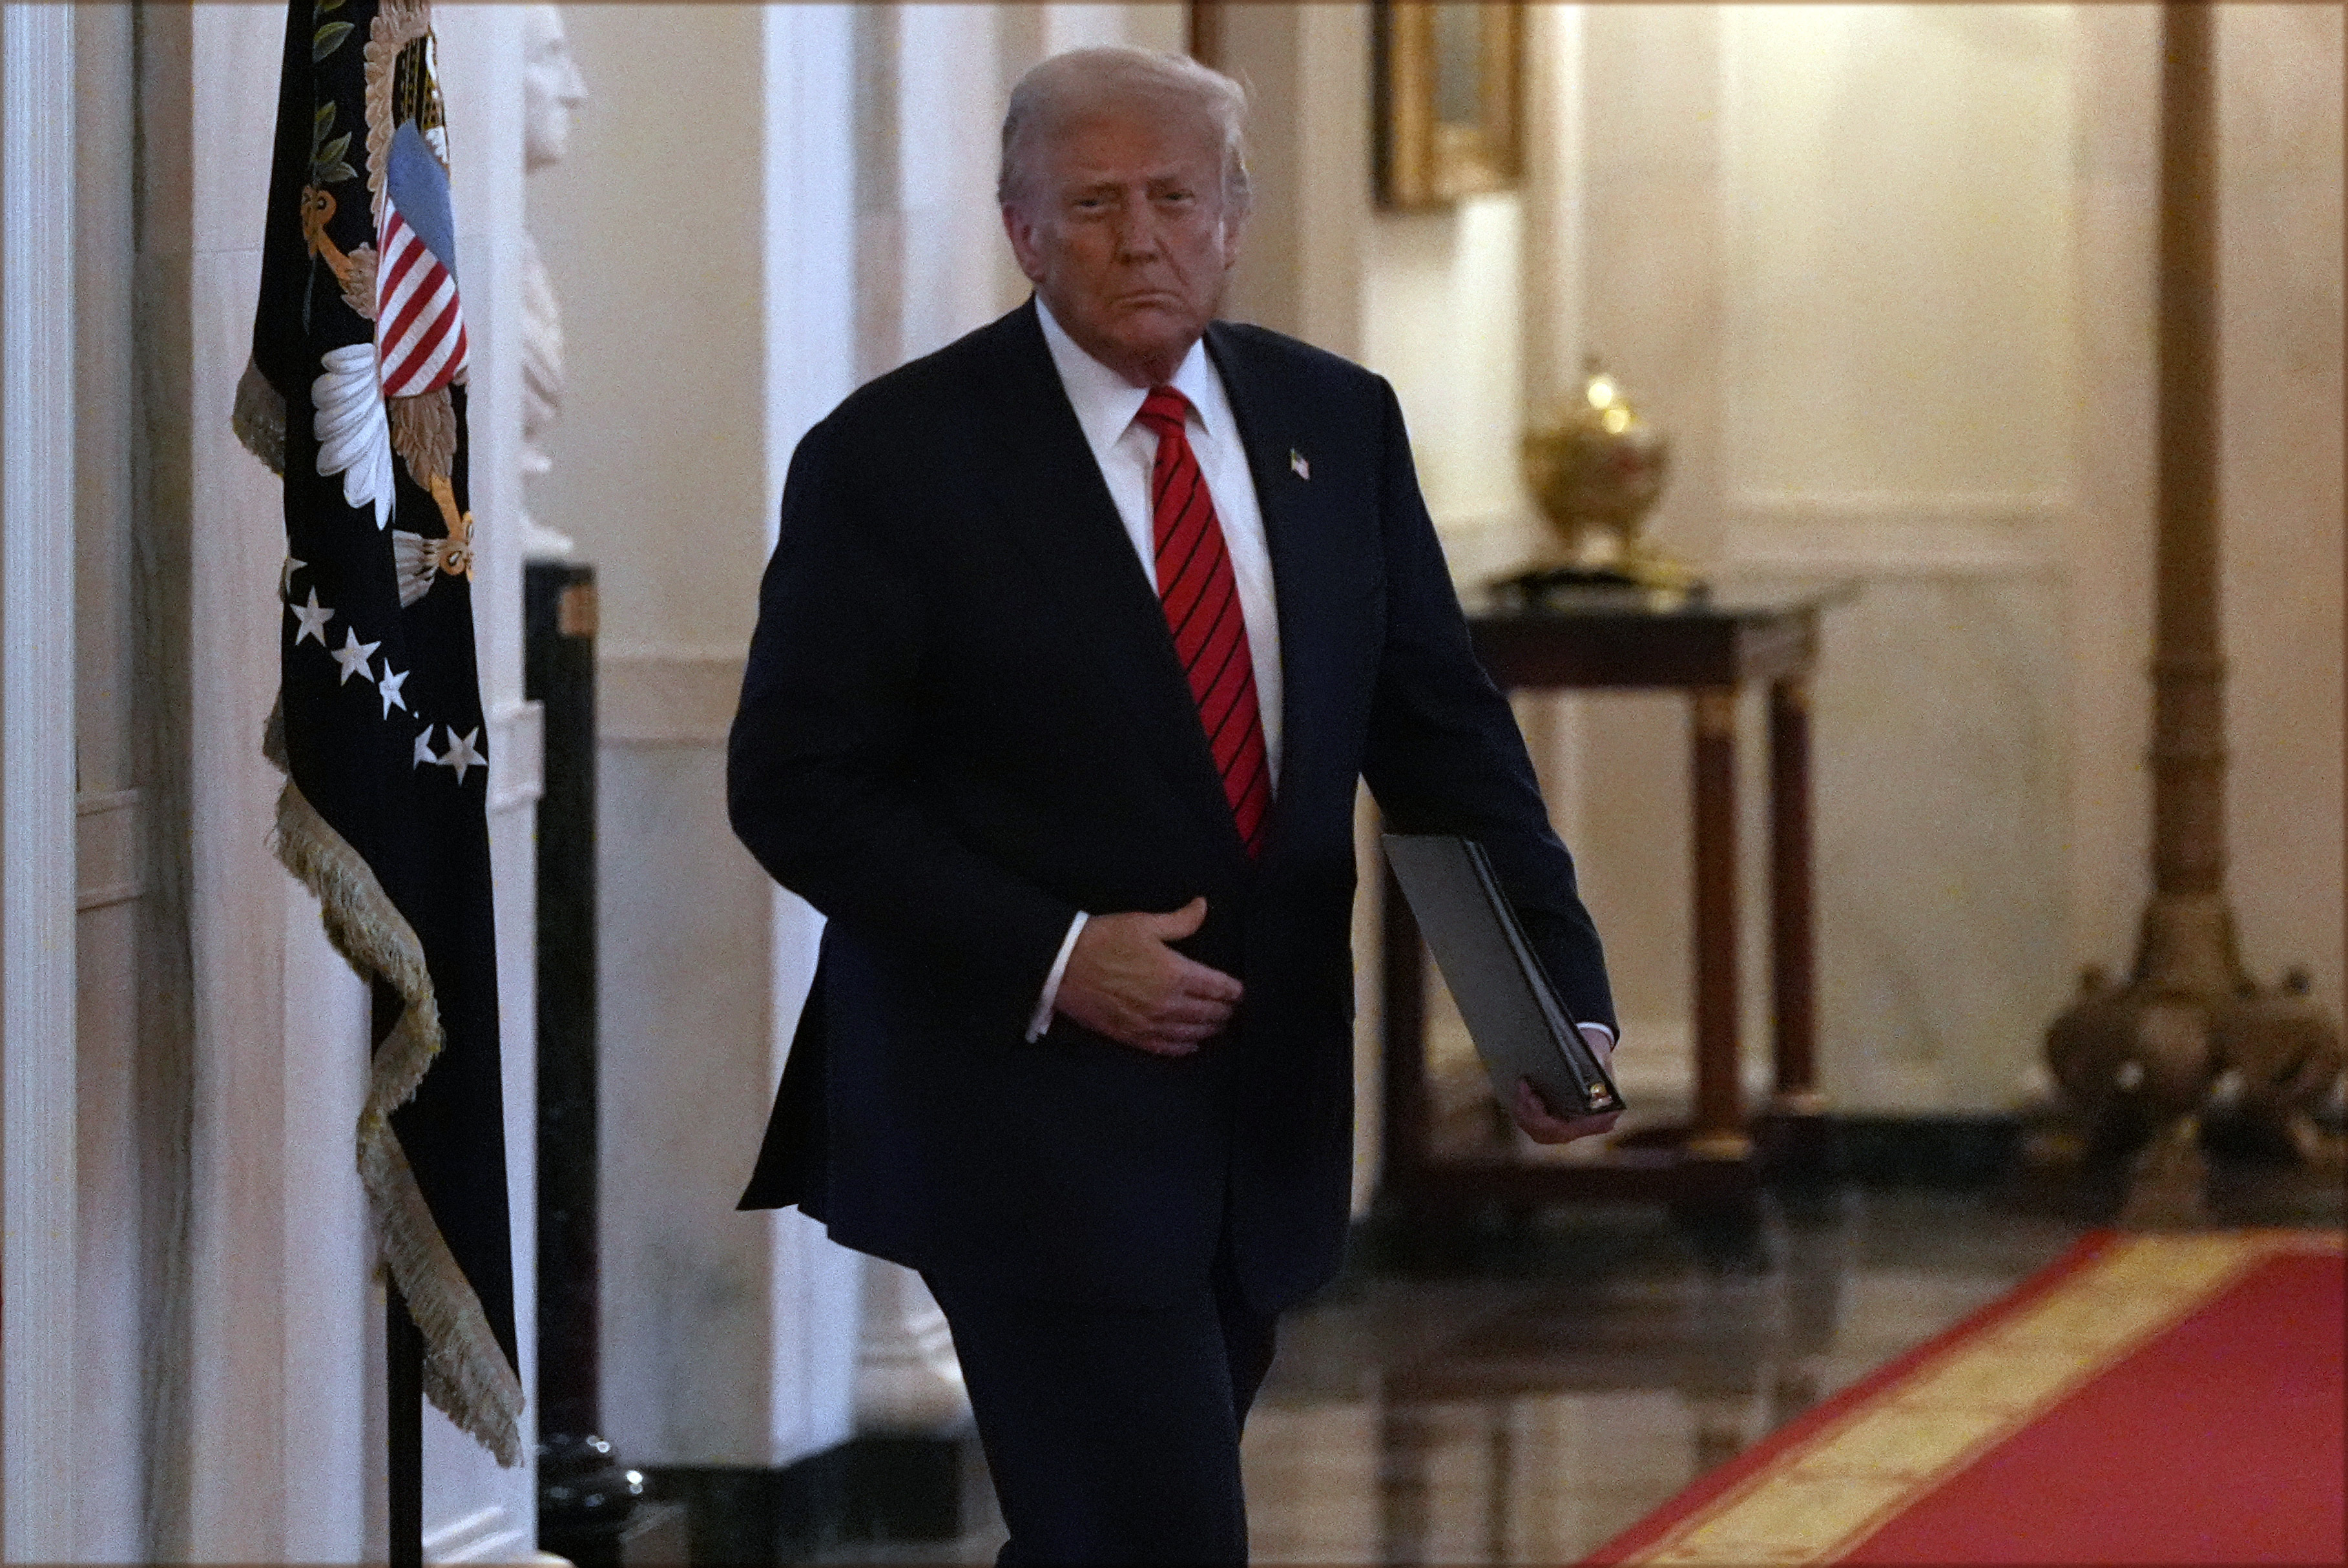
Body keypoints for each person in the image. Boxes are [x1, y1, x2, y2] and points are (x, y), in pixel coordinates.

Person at [727, 46, 1619, 1565]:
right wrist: (1061, 951)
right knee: (1157, 1534)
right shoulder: (897, 459)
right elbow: (796, 786)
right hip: (1012, 1106)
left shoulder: (1335, 424)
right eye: (1091, 204)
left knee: (1101, 1531)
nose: (1140, 238)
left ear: (1235, 213)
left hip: (1258, 1109)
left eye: (1174, 198)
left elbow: (1446, 737)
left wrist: (1555, 1001)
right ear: (1020, 228)